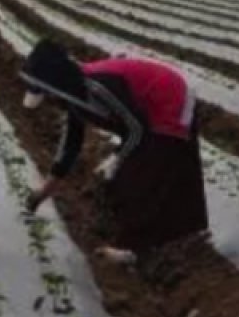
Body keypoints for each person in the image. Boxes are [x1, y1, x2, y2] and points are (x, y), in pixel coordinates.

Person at [22, 40, 208, 265]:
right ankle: (182, 234)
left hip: (168, 97)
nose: (50, 101)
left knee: (143, 173)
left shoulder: (98, 87)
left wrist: (117, 160)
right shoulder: (74, 97)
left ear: (58, 84)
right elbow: (70, 145)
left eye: (48, 95)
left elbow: (137, 129)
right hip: (148, 110)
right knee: (146, 166)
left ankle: (133, 249)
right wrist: (44, 191)